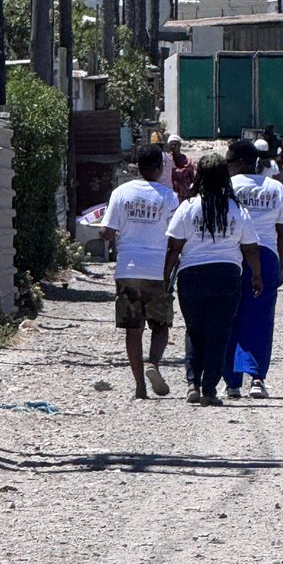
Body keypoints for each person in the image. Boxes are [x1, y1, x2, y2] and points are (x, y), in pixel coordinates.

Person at [164, 153, 263, 405]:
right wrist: (257, 276)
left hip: (192, 276)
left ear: (199, 176)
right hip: (227, 276)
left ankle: (192, 384)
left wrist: (165, 279)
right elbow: (250, 248)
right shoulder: (237, 209)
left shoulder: (188, 207)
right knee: (219, 334)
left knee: (194, 331)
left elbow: (174, 248)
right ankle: (210, 390)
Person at [100, 144, 179, 399]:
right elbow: (177, 236)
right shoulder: (169, 197)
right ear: (160, 168)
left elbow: (107, 232)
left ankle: (139, 387)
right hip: (158, 270)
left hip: (128, 269)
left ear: (137, 166)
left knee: (133, 329)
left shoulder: (121, 192)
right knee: (161, 326)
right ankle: (153, 363)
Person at [224, 140, 283, 399]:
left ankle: (231, 381)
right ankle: (257, 379)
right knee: (261, 319)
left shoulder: (229, 187)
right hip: (266, 256)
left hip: (233, 255)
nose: (228, 166)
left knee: (231, 317)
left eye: (230, 161)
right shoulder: (275, 188)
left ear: (241, 162)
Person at [168, 135, 196, 203]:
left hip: (185, 197)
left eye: (175, 144)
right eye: (171, 145)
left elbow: (193, 180)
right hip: (170, 197)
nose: (173, 147)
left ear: (180, 145)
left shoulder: (188, 162)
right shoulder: (167, 161)